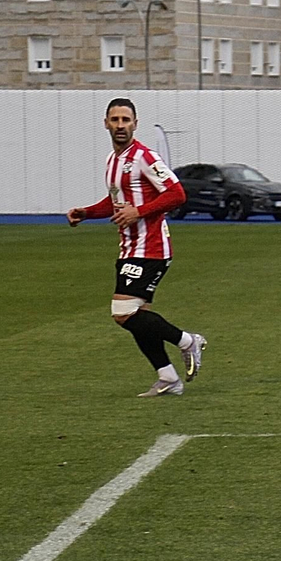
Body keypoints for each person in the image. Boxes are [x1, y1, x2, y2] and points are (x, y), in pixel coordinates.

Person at [66, 98, 207, 397]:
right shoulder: (112, 161)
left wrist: (138, 213)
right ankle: (168, 378)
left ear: (135, 123)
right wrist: (87, 212)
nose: (120, 125)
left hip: (151, 247)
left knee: (122, 312)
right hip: (129, 247)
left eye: (125, 120)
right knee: (140, 319)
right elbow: (116, 202)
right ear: (105, 123)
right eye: (115, 120)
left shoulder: (144, 157)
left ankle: (188, 341)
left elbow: (177, 193)